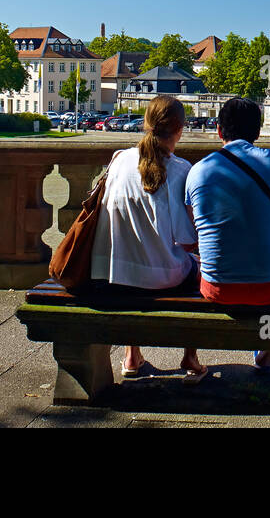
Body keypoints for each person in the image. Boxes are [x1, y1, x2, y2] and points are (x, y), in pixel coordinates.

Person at [186, 96, 270, 368]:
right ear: (258, 132)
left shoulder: (198, 171)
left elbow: (191, 228)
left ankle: (265, 344)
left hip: (215, 288)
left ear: (219, 131)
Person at [89, 94, 206, 379]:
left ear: (146, 123)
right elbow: (188, 240)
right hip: (159, 279)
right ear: (180, 130)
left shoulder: (119, 160)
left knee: (136, 253)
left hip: (112, 275)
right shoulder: (180, 171)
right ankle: (190, 357)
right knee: (202, 272)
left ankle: (131, 355)